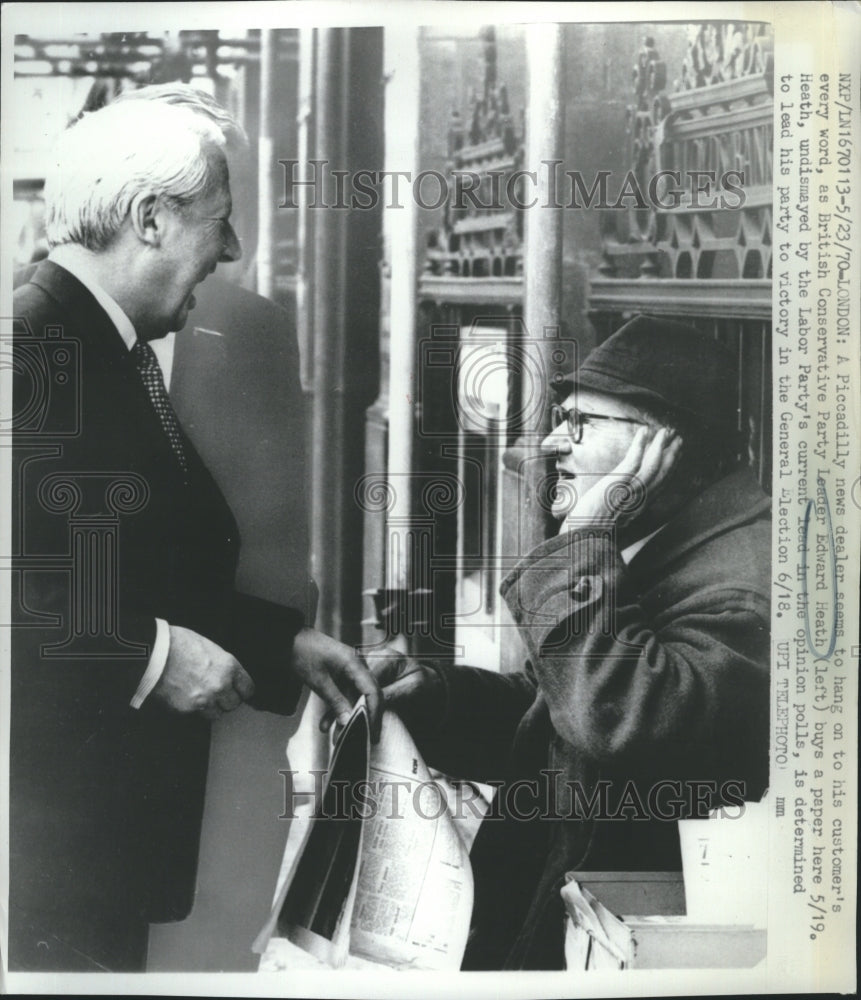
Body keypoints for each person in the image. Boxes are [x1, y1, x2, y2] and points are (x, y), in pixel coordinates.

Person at [9, 98, 380, 971]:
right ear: (149, 218)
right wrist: (151, 656)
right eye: (218, 222)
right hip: (46, 850)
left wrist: (282, 642)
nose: (233, 252)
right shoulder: (32, 347)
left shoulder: (92, 343)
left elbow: (129, 566)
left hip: (84, 839)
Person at [371, 316, 771, 970]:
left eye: (580, 423)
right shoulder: (678, 545)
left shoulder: (745, 585)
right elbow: (559, 713)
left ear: (663, 448)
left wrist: (584, 538)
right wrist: (436, 700)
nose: (551, 442)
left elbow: (618, 720)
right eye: (560, 416)